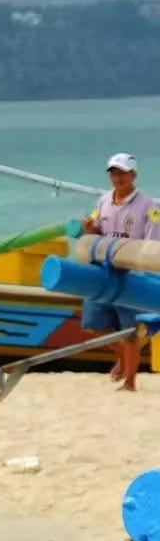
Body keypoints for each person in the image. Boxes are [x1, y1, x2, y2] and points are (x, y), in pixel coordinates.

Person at [81, 153, 160, 391]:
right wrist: (90, 229)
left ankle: (130, 381)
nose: (118, 177)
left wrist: (145, 271)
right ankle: (123, 359)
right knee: (94, 324)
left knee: (130, 332)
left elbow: (153, 241)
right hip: (103, 271)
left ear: (133, 175)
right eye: (114, 173)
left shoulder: (149, 205)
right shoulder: (103, 201)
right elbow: (95, 228)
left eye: (123, 173)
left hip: (131, 274)